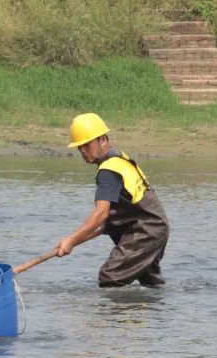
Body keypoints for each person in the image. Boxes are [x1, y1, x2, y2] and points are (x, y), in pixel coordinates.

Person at [54, 113, 169, 287]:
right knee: (150, 283)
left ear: (102, 139)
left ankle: (118, 307)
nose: (83, 151)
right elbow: (107, 222)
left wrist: (71, 240)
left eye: (87, 144)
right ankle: (151, 305)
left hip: (146, 231)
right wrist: (73, 241)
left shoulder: (108, 171)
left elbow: (101, 214)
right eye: (79, 147)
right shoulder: (119, 158)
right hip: (155, 227)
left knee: (110, 277)